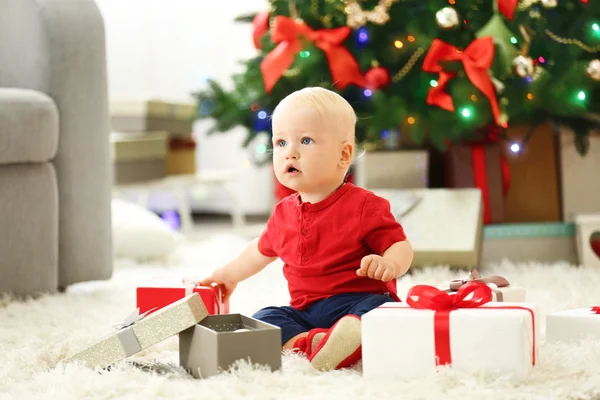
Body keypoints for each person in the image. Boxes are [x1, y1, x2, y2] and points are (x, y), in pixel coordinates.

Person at [199, 87, 413, 371]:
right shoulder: (283, 213)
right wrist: (227, 275)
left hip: (356, 301)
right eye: (281, 142)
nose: (291, 153)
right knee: (264, 318)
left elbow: (400, 246)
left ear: (343, 155)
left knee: (379, 310)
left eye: (306, 140)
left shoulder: (364, 205)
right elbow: (258, 252)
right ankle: (309, 343)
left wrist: (389, 263)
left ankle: (350, 334)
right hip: (305, 311)